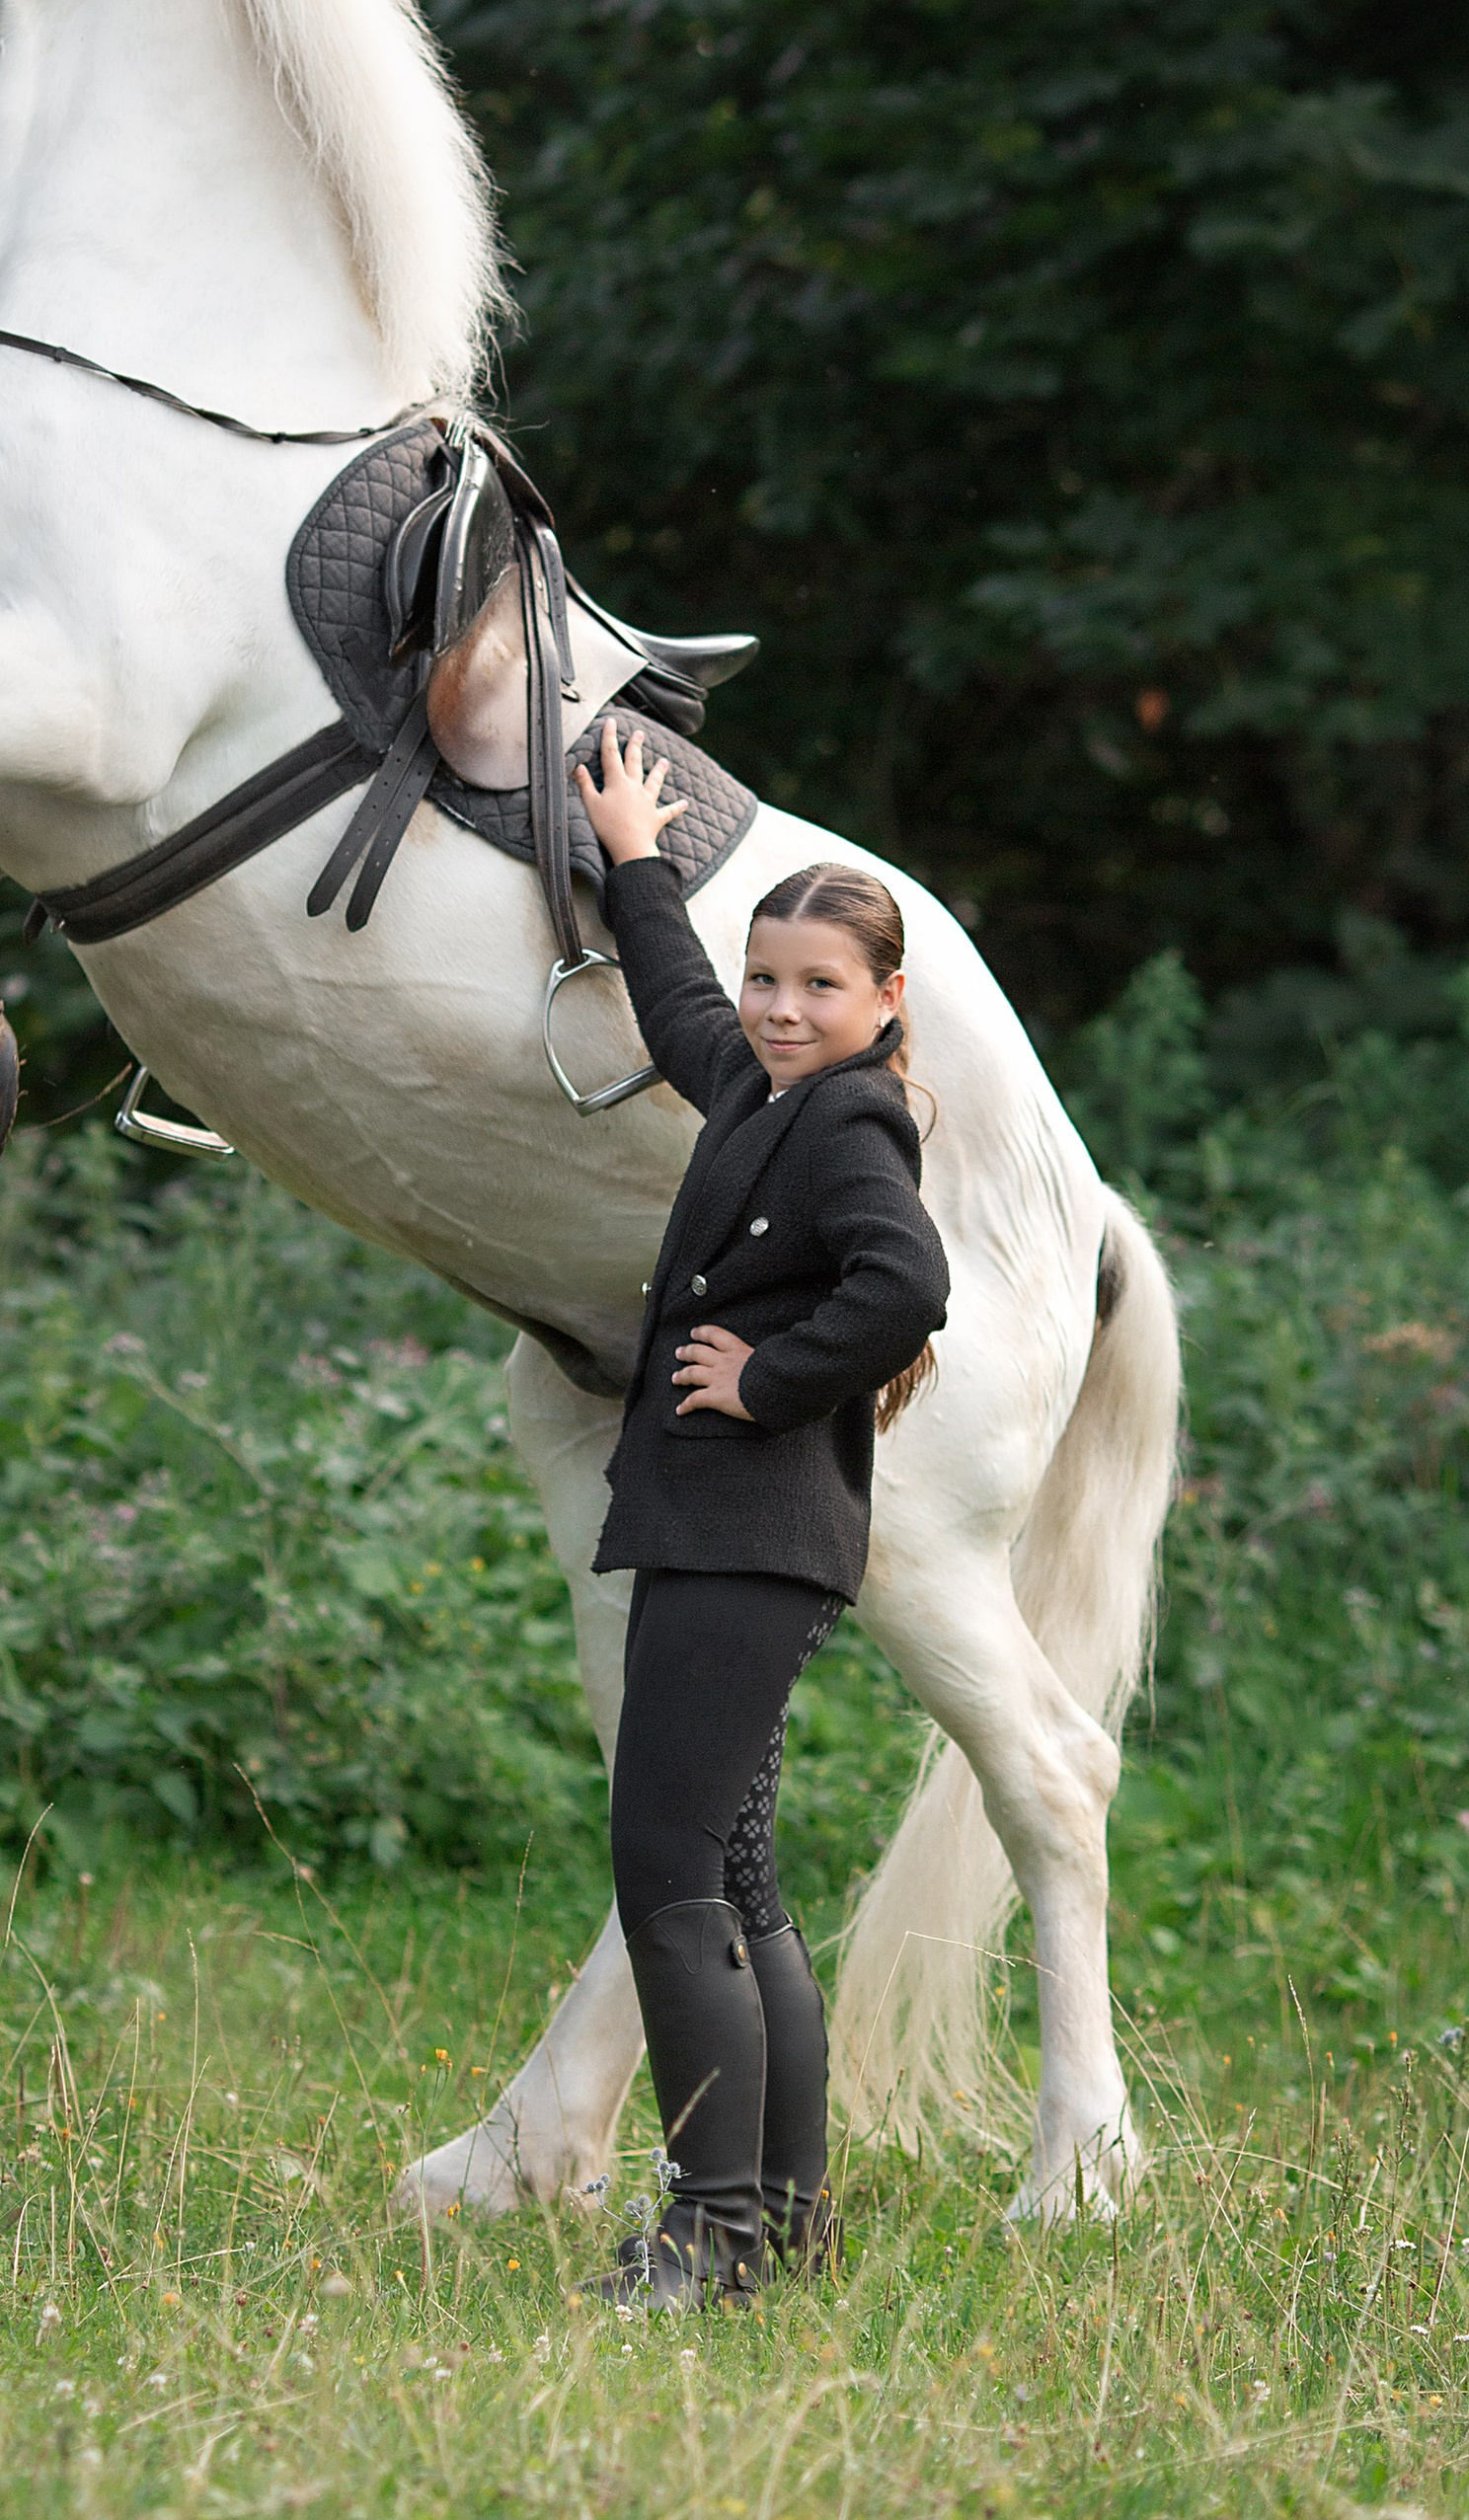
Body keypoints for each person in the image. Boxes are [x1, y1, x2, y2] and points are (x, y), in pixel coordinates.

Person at [569, 720, 953, 2314]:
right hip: (727, 1525)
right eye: (768, 978)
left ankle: (710, 2235)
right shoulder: (757, 1083)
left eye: (819, 987)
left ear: (884, 1006)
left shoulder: (855, 1116)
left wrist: (772, 1376)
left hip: (752, 1522)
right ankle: (780, 2227)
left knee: (666, 1858)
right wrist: (637, 859)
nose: (783, 1009)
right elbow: (670, 1005)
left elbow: (909, 1283)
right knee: (734, 1871)